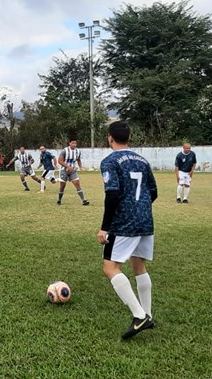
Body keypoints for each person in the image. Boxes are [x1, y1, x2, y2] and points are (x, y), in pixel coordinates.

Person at [97, 121, 158, 340]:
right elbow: (153, 191)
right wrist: (140, 207)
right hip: (145, 220)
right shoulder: (142, 160)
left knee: (110, 267)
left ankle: (139, 315)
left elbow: (112, 194)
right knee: (138, 265)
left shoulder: (110, 161)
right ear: (129, 137)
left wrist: (105, 227)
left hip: (123, 223)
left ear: (110, 138)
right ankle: (148, 315)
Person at [57, 138, 89, 205]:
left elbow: (78, 160)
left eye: (75, 143)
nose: (74, 144)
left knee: (77, 183)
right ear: (69, 143)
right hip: (64, 170)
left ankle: (84, 200)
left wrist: (80, 167)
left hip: (73, 171)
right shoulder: (65, 151)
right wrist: (68, 167)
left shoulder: (78, 151)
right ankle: (59, 200)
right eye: (73, 143)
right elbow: (59, 161)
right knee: (62, 186)